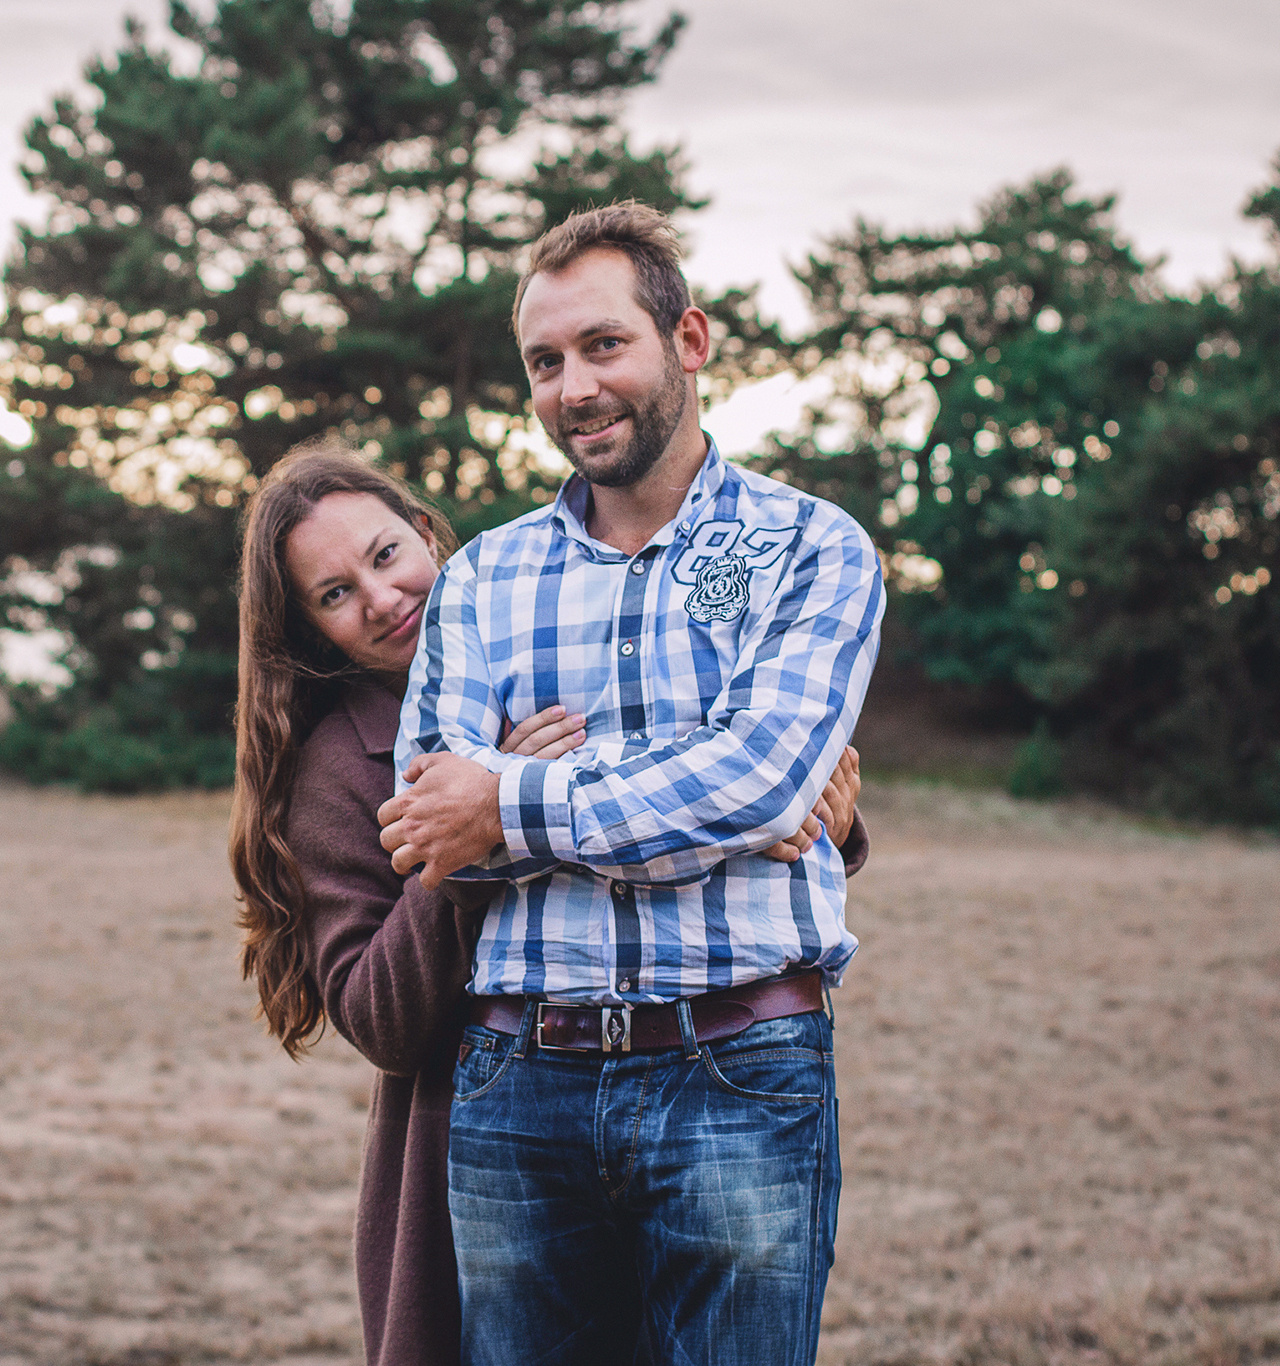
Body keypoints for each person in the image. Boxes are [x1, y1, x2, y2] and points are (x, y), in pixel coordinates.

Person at [375, 201, 886, 1365]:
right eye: (544, 362)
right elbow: (422, 819)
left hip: (739, 1067)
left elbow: (757, 782)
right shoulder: (480, 577)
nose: (573, 387)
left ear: (687, 342)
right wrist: (691, 781)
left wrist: (506, 790)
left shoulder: (812, 549)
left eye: (603, 345)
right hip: (515, 1077)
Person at [230, 441, 867, 1366]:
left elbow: (700, 781)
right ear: (309, 631)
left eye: (383, 556)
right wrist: (475, 832)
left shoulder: (550, 635)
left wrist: (827, 823)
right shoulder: (340, 767)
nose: (379, 599)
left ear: (425, 535)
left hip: (693, 1078)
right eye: (334, 595)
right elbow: (380, 1019)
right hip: (487, 1130)